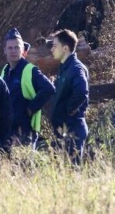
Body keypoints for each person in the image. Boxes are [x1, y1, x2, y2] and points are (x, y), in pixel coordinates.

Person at [0, 28, 54, 148]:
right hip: (8, 129)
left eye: (17, 47)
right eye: (10, 48)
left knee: (24, 165)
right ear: (4, 50)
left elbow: (49, 89)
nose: (13, 51)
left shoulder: (30, 70)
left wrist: (30, 109)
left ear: (23, 50)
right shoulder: (5, 70)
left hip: (25, 129)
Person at [49, 28, 89, 164]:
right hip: (64, 131)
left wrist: (69, 109)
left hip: (73, 129)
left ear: (65, 48)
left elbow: (82, 91)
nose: (51, 49)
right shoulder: (65, 68)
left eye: (55, 46)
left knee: (73, 172)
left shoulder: (75, 68)